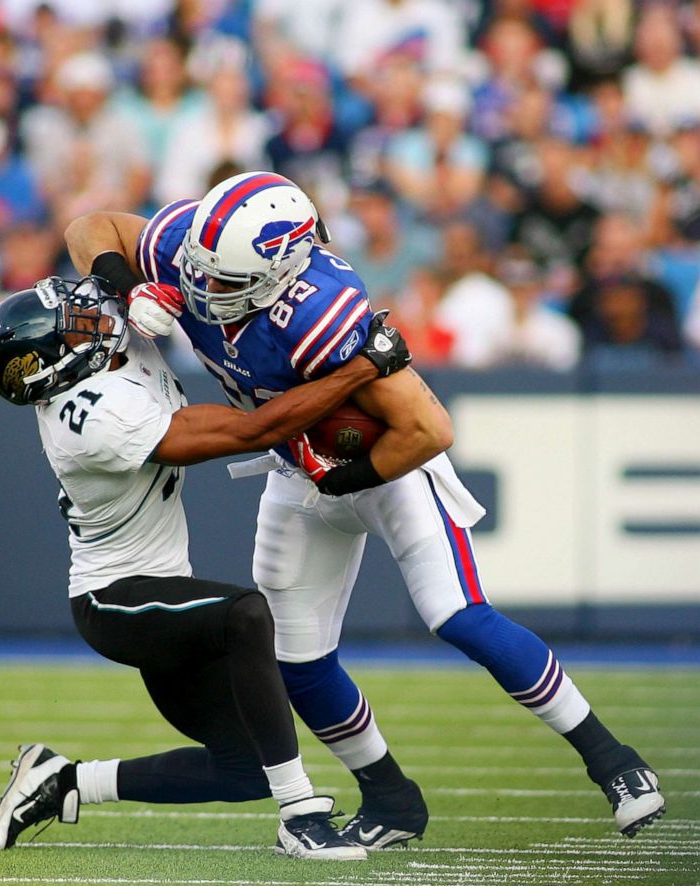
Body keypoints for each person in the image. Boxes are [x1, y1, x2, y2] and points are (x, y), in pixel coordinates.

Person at [64, 170, 667, 847]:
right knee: (292, 660)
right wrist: (126, 281)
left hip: (386, 469)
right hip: (298, 468)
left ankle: (614, 763)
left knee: (457, 616)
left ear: (278, 274)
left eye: (224, 283)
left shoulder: (320, 311)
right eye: (196, 272)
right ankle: (389, 799)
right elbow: (93, 228)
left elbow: (428, 429)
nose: (202, 293)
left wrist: (347, 476)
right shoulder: (194, 245)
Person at [0, 270, 412, 859]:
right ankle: (302, 815)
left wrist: (124, 271)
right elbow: (260, 429)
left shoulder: (105, 355)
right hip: (116, 600)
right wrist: (361, 367)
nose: (94, 321)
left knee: (244, 770)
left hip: (162, 591)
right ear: (57, 366)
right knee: (247, 615)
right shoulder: (91, 419)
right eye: (74, 327)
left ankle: (64, 781)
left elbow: (93, 229)